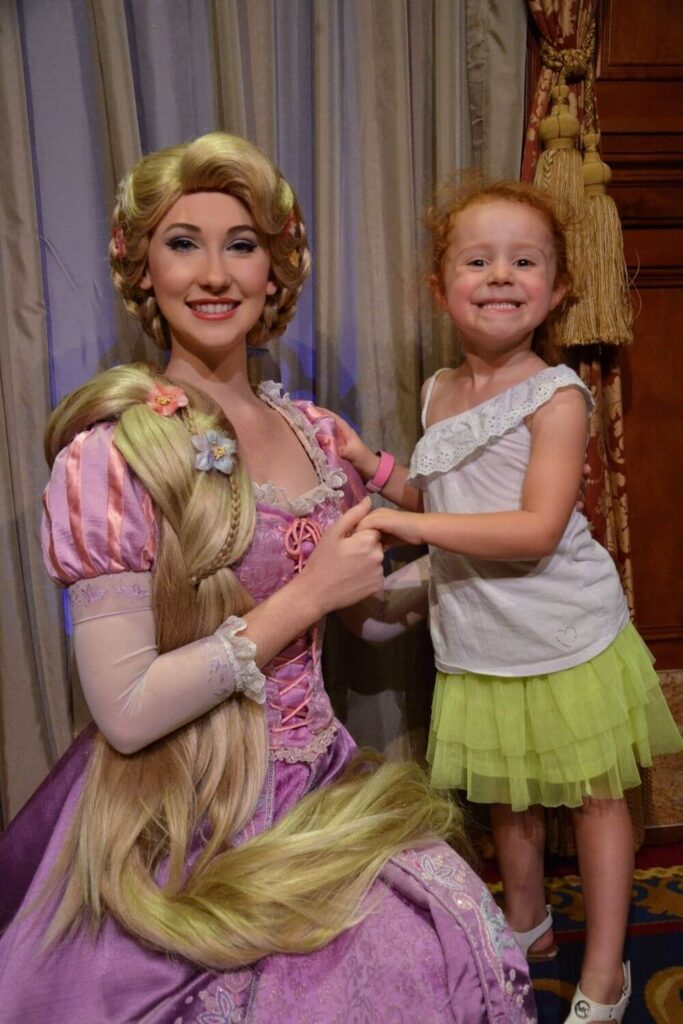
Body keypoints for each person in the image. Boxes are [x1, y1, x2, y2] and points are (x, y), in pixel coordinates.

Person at [0, 136, 537, 1024]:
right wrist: (310, 593)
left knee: (439, 934)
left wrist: (472, 572)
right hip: (182, 808)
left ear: (275, 267)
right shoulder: (111, 456)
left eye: (240, 244)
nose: (213, 273)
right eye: (183, 242)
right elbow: (127, 710)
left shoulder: (317, 432)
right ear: (142, 266)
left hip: (318, 779)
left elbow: (360, 617)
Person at [333, 179, 683, 1024]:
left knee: (596, 801)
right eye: (476, 260)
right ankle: (525, 925)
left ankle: (605, 969)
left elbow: (531, 528)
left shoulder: (557, 396)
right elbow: (443, 494)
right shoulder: (437, 390)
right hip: (479, 632)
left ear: (557, 288)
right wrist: (379, 469)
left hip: (561, 629)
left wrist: (403, 524)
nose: (499, 276)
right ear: (438, 284)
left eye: (522, 262)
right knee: (508, 795)